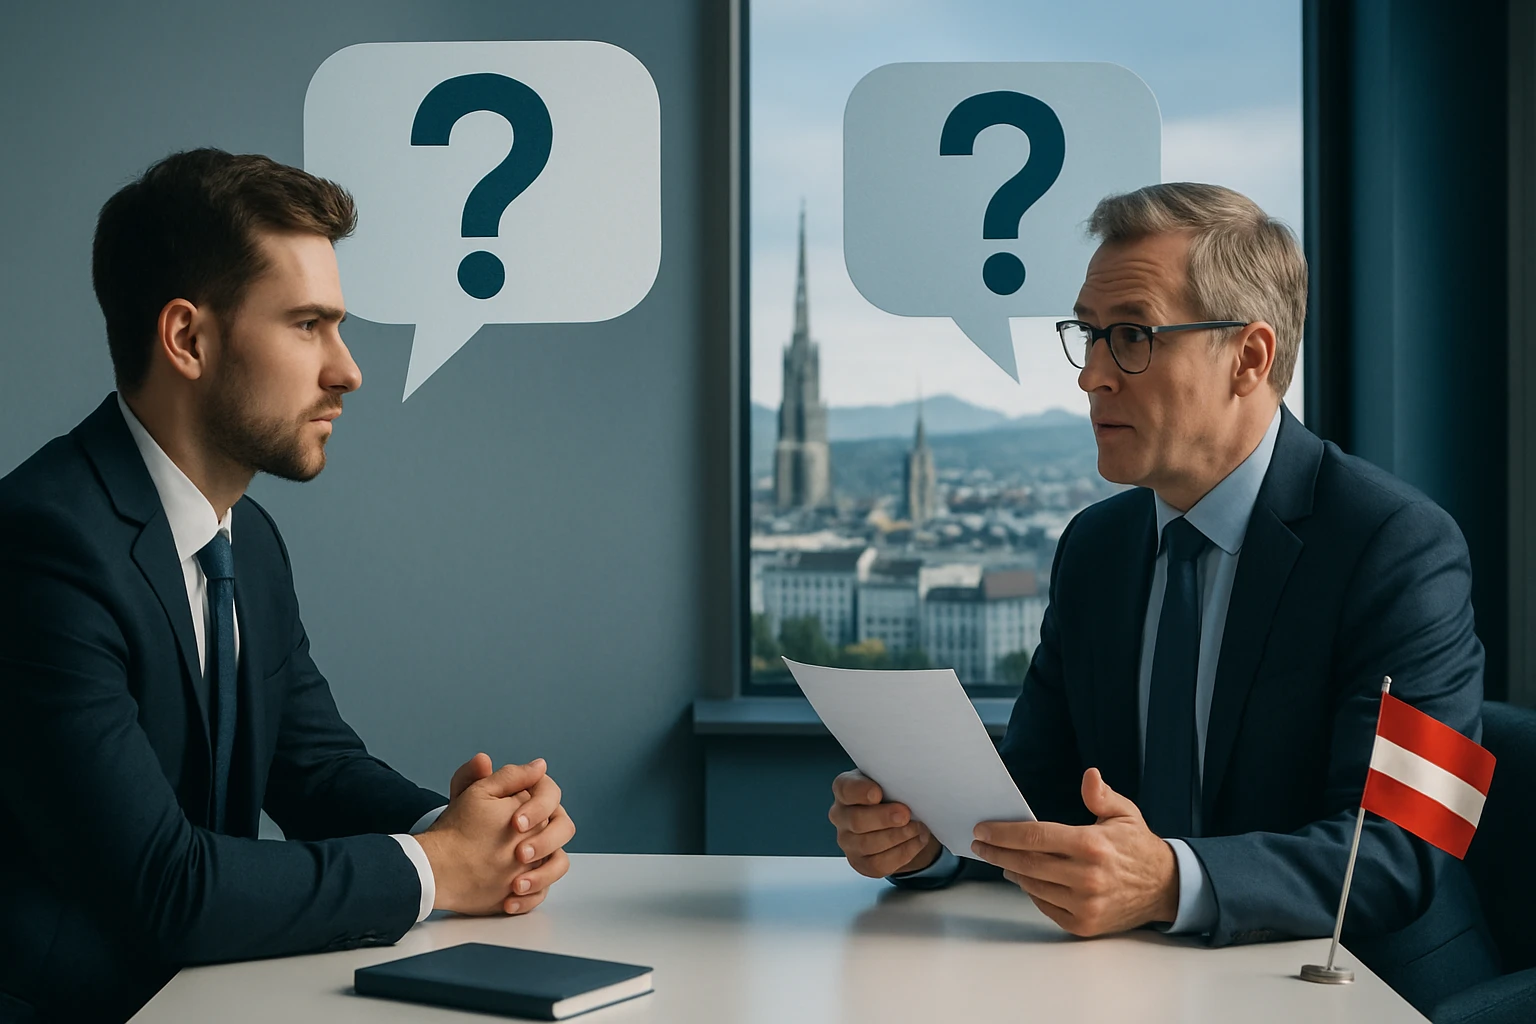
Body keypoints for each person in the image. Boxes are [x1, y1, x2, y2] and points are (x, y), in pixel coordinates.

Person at [829, 182, 1492, 1008]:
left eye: (1134, 336)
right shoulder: (1097, 548)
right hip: (1134, 989)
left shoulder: (1398, 547)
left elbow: (1402, 849)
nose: (1093, 377)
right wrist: (929, 837)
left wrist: (1172, 880)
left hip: (1362, 990)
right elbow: (1038, 784)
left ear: (1250, 357)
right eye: (1089, 335)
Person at [0, 149, 577, 1024]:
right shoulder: (42, 544)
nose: (347, 370)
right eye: (308, 324)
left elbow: (315, 772)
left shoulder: (249, 540)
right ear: (188, 339)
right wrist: (437, 869)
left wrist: (475, 829)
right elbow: (167, 886)